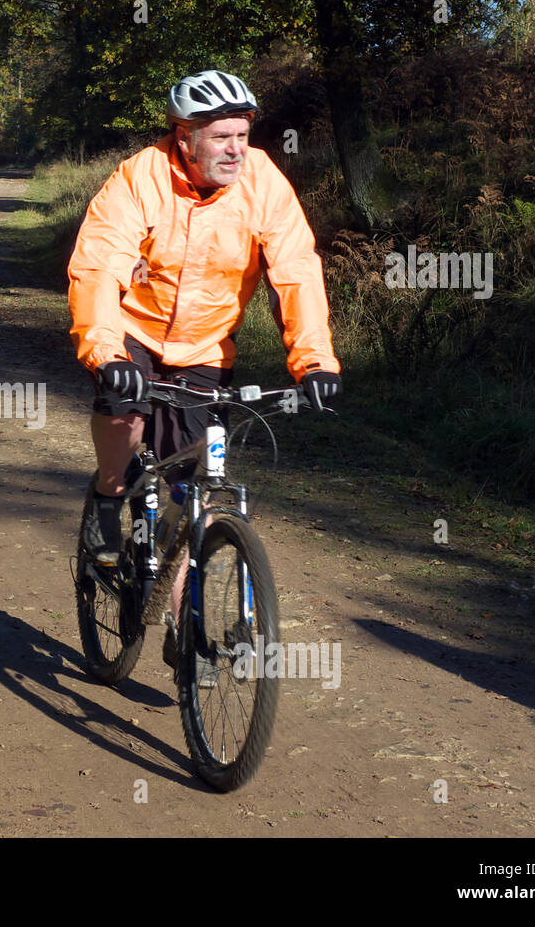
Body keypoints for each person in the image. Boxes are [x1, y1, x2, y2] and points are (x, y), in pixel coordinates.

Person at [68, 69, 342, 658]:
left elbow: (295, 268)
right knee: (126, 412)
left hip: (205, 348)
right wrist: (105, 349)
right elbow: (99, 263)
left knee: (192, 490)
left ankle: (181, 622)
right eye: (221, 137)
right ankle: (109, 498)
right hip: (133, 331)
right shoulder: (139, 177)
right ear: (184, 136)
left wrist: (314, 361)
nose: (236, 149)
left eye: (242, 135)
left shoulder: (263, 181)